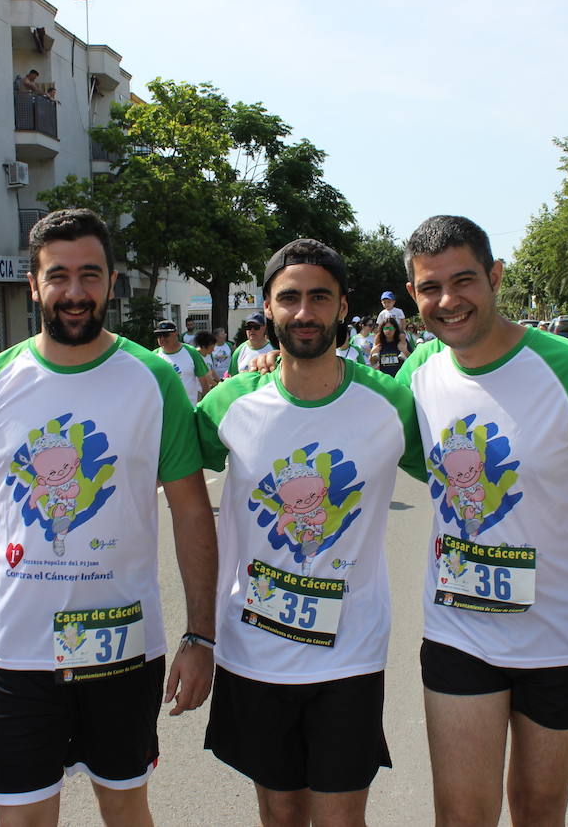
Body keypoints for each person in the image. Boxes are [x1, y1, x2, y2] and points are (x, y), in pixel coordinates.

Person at [0, 208, 218, 826]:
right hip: (17, 656)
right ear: (33, 284)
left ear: (112, 282)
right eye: (57, 275)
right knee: (23, 819)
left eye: (90, 275)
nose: (74, 292)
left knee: (125, 809)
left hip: (123, 650)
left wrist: (200, 636)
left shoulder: (154, 380)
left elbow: (193, 514)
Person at [398, 215, 568, 827]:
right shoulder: (416, 377)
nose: (448, 300)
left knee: (539, 810)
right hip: (461, 634)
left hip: (562, 641)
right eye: (430, 287)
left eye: (464, 281)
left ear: (495, 277)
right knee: (462, 815)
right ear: (414, 295)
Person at [196, 238, 425, 827]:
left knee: (341, 818)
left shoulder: (393, 405)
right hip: (255, 650)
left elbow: (460, 481)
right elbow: (160, 483)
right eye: (289, 298)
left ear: (344, 306)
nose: (304, 312)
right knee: (279, 812)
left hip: (349, 653)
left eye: (319, 297)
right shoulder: (228, 404)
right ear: (267, 309)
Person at [153, 319, 214, 405]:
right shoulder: (154, 356)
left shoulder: (191, 352)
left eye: (165, 335)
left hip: (189, 410)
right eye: (158, 335)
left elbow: (204, 382)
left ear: (176, 333)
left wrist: (205, 407)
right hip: (165, 412)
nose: (162, 338)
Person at [226, 312, 276, 377]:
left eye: (256, 327)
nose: (252, 330)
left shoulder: (273, 348)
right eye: (249, 327)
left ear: (264, 328)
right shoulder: (239, 351)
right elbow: (232, 377)